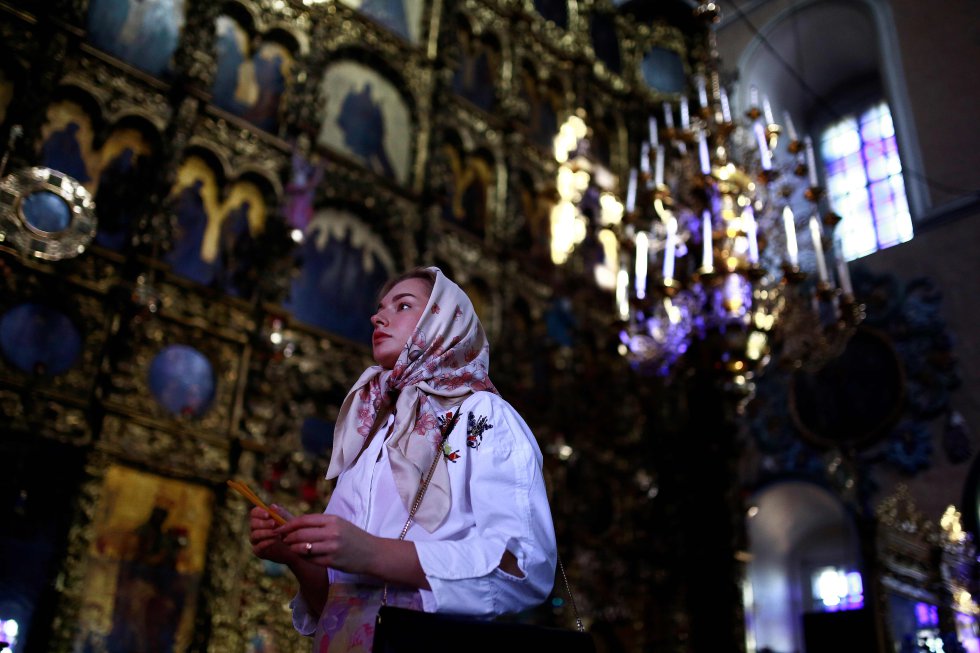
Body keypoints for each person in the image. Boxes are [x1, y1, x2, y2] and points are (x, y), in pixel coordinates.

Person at [249, 267, 557, 652]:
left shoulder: (484, 415)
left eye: (403, 305)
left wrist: (373, 553)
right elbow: (336, 607)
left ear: (443, 320)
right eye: (380, 308)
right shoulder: (371, 426)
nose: (378, 317)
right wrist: (297, 557)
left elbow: (524, 567)